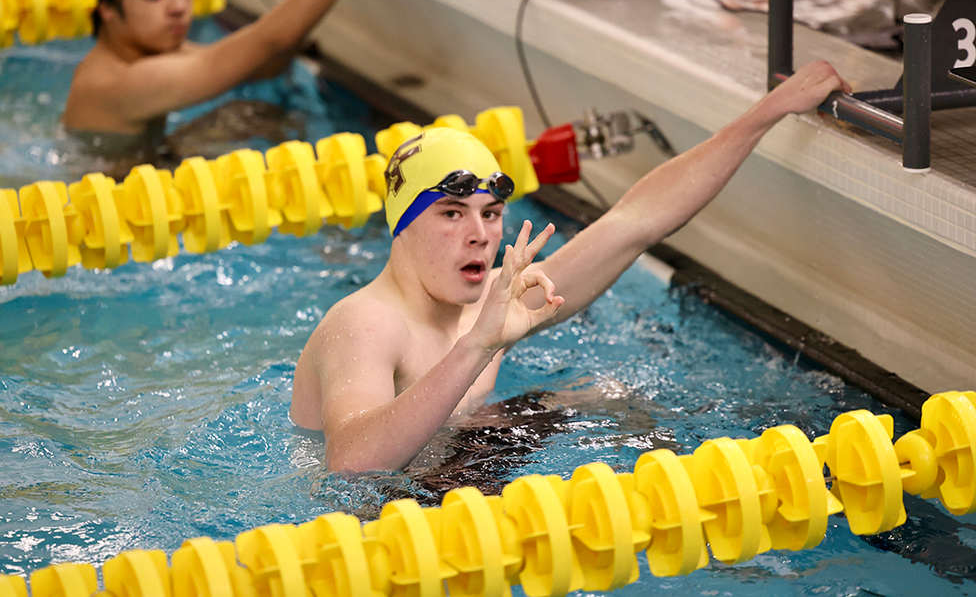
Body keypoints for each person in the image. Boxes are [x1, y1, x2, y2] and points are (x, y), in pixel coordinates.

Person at [290, 60, 852, 474]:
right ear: (400, 224)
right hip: (368, 537)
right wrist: (478, 346)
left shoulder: (495, 303)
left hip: (452, 475)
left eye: (490, 214)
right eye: (451, 213)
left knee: (610, 396)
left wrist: (768, 112)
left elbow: (636, 220)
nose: (479, 234)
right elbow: (351, 465)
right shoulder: (366, 323)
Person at [61, 0, 391, 174]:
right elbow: (268, 43)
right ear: (107, 8)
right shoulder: (123, 82)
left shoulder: (145, 53)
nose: (179, 6)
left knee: (256, 114)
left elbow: (263, 63)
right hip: (123, 208)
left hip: (150, 164)